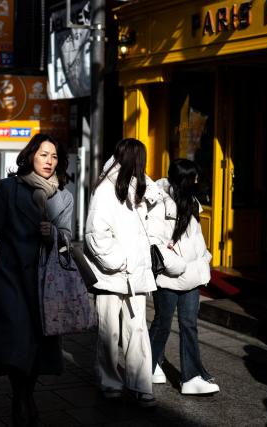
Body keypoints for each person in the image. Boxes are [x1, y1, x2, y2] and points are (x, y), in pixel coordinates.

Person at [0, 134, 73, 427]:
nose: (49, 162)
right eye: (43, 155)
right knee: (15, 342)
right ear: (30, 156)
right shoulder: (9, 188)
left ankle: (27, 393)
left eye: (53, 156)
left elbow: (67, 238)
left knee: (38, 345)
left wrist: (55, 235)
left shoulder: (62, 195)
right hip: (12, 279)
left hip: (44, 283)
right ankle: (19, 395)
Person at [84, 138, 158, 407]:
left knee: (137, 330)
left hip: (136, 274)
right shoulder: (106, 189)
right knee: (109, 331)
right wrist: (121, 261)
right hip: (111, 274)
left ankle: (140, 385)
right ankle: (109, 381)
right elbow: (95, 234)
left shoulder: (139, 187)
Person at [147, 158, 219, 395]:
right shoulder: (160, 204)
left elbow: (195, 238)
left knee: (189, 325)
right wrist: (176, 265)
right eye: (195, 177)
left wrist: (203, 259)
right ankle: (147, 365)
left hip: (192, 275)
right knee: (162, 323)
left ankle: (191, 376)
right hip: (170, 275)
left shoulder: (192, 203)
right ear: (186, 179)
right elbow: (154, 242)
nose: (198, 180)